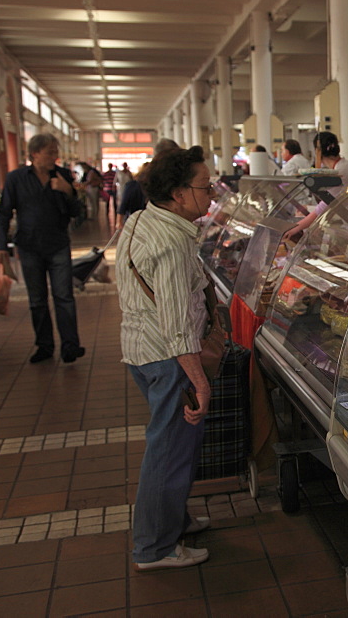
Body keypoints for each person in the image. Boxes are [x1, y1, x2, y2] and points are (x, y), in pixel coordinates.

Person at [115, 145, 217, 571]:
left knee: (173, 444)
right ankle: (154, 548)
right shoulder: (173, 245)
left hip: (141, 350)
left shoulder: (141, 219)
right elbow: (176, 325)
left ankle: (172, 519)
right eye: (204, 187)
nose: (210, 194)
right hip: (166, 357)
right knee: (169, 450)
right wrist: (200, 380)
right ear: (179, 194)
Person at [0, 134, 85, 364]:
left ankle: (70, 346)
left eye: (56, 152)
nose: (55, 156)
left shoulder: (62, 175)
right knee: (37, 299)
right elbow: (3, 213)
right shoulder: (16, 179)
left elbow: (77, 212)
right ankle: (44, 345)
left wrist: (68, 191)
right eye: (50, 152)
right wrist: (0, 245)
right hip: (29, 246)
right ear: (34, 154)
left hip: (58, 244)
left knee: (64, 296)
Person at [284, 131, 348, 240]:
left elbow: (326, 204)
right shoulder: (341, 167)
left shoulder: (341, 171)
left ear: (318, 152)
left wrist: (296, 228)